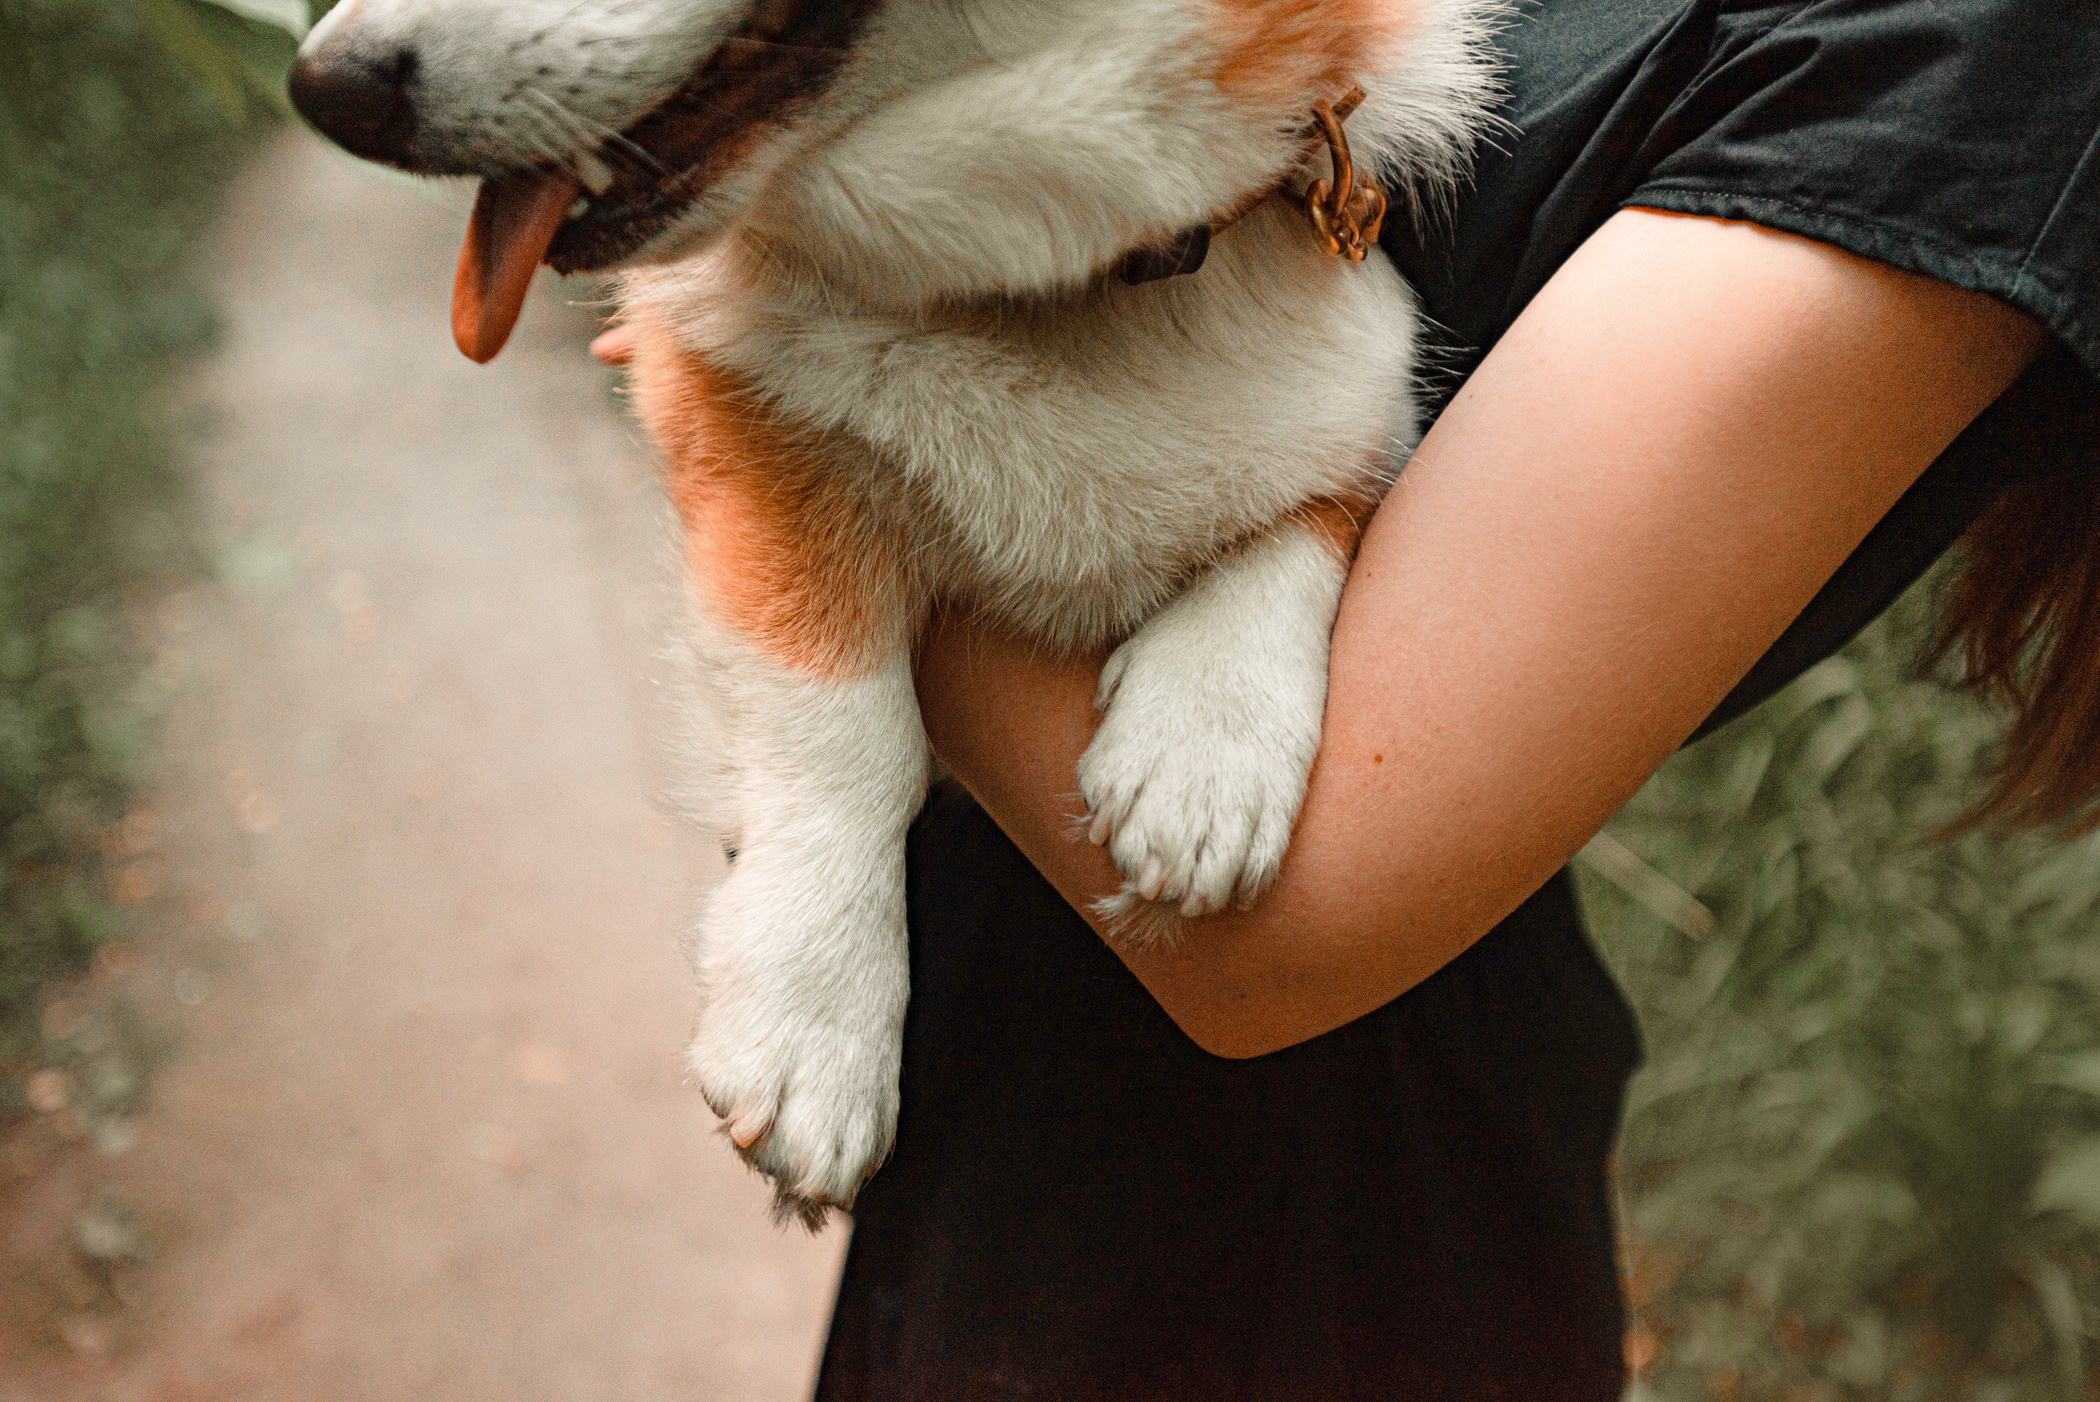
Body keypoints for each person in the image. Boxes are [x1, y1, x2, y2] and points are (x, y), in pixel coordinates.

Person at [813, 0, 2100, 1397]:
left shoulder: (1988, 48)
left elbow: (1282, 918)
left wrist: (794, 396)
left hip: (1309, 1249)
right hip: (999, 1091)